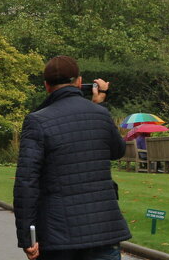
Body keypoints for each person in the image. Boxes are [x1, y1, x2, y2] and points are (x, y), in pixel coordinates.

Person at [13, 55, 128, 259]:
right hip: (102, 229)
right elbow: (117, 151)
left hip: (58, 234)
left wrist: (27, 236)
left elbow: (26, 182)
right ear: (78, 81)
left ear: (46, 86)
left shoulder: (37, 121)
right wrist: (99, 104)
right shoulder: (100, 114)